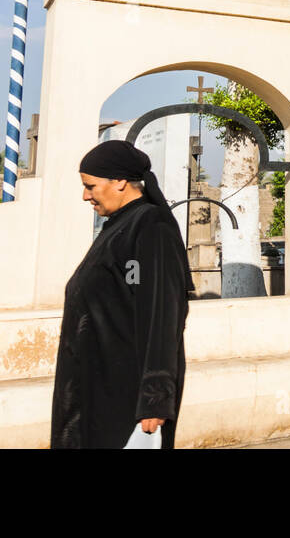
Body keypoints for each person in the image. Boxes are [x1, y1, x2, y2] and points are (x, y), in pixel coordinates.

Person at [50, 140, 193, 449]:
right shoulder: (120, 226)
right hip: (95, 386)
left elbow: (159, 309)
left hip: (125, 395)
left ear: (120, 182)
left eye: (91, 186)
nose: (85, 195)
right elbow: (127, 287)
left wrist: (155, 396)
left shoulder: (149, 228)